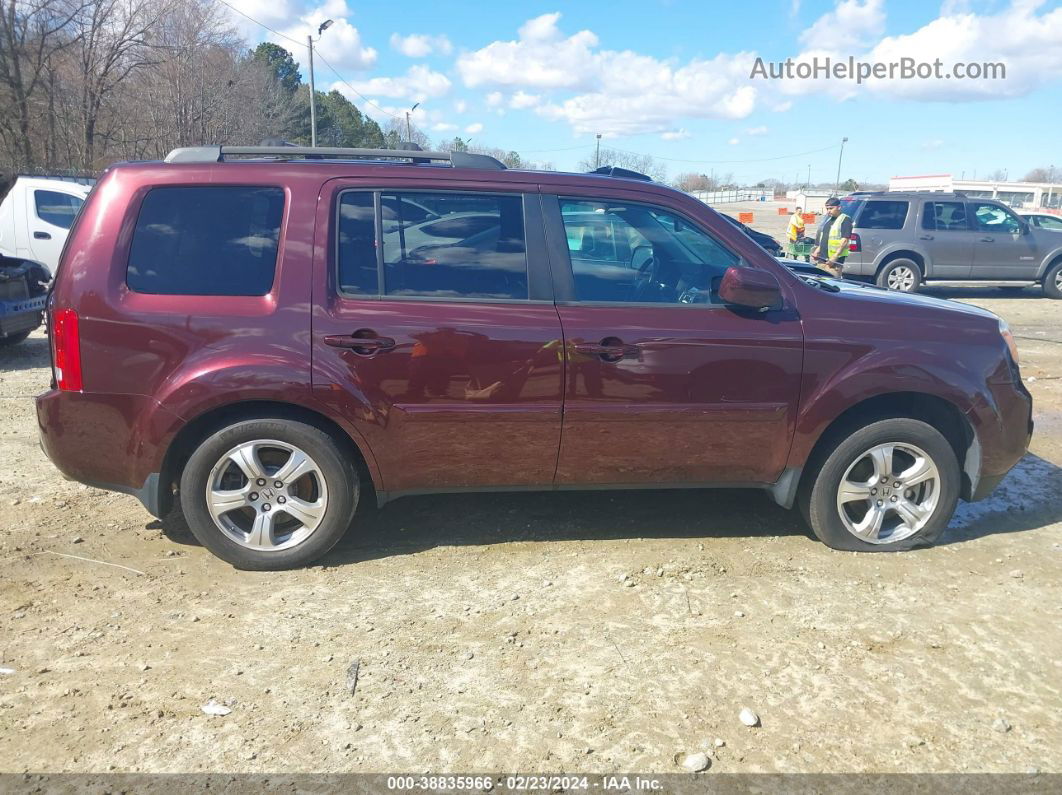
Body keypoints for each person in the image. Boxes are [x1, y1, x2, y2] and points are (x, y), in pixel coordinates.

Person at [810, 197, 852, 278]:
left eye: (831, 208)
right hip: (822, 260)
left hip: (834, 263)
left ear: (839, 207)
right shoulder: (829, 220)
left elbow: (845, 240)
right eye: (827, 209)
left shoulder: (845, 220)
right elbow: (825, 239)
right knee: (819, 284)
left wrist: (835, 257)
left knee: (830, 285)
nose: (829, 211)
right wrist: (817, 251)